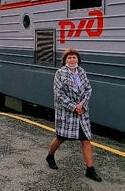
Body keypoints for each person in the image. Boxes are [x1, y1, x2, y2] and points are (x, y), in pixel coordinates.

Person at [45, 48, 102, 182]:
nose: (72, 60)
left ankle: (90, 169)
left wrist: (82, 104)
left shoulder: (82, 72)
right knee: (60, 137)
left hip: (81, 112)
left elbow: (88, 89)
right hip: (66, 112)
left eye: (74, 57)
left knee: (86, 140)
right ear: (65, 60)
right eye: (69, 58)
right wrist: (73, 106)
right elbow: (59, 94)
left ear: (78, 59)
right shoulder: (60, 73)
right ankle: (50, 156)